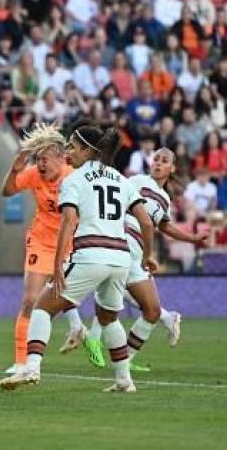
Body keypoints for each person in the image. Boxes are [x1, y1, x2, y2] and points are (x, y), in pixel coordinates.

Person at [0, 118, 155, 393]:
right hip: (120, 257)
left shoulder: (74, 179)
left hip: (90, 254)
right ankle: (124, 380)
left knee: (42, 308)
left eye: (73, 147)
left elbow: (69, 222)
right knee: (109, 318)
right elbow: (145, 223)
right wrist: (147, 257)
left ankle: (31, 367)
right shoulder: (122, 179)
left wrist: (59, 263)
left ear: (87, 151)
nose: (69, 152)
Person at [84, 148, 206, 372]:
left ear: (172, 168)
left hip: (139, 250)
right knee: (116, 297)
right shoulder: (138, 180)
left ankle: (125, 359)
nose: (158, 163)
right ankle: (93, 339)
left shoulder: (166, 199)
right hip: (122, 239)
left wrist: (192, 238)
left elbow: (164, 226)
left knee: (152, 311)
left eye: (164, 161)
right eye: (156, 159)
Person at [0, 123, 85, 374]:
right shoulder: (35, 174)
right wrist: (13, 171)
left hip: (70, 244)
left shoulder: (74, 177)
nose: (40, 164)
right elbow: (6, 191)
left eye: (44, 159)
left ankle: (81, 330)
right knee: (29, 301)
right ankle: (21, 361)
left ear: (61, 157)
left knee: (63, 299)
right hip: (40, 242)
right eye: (37, 159)